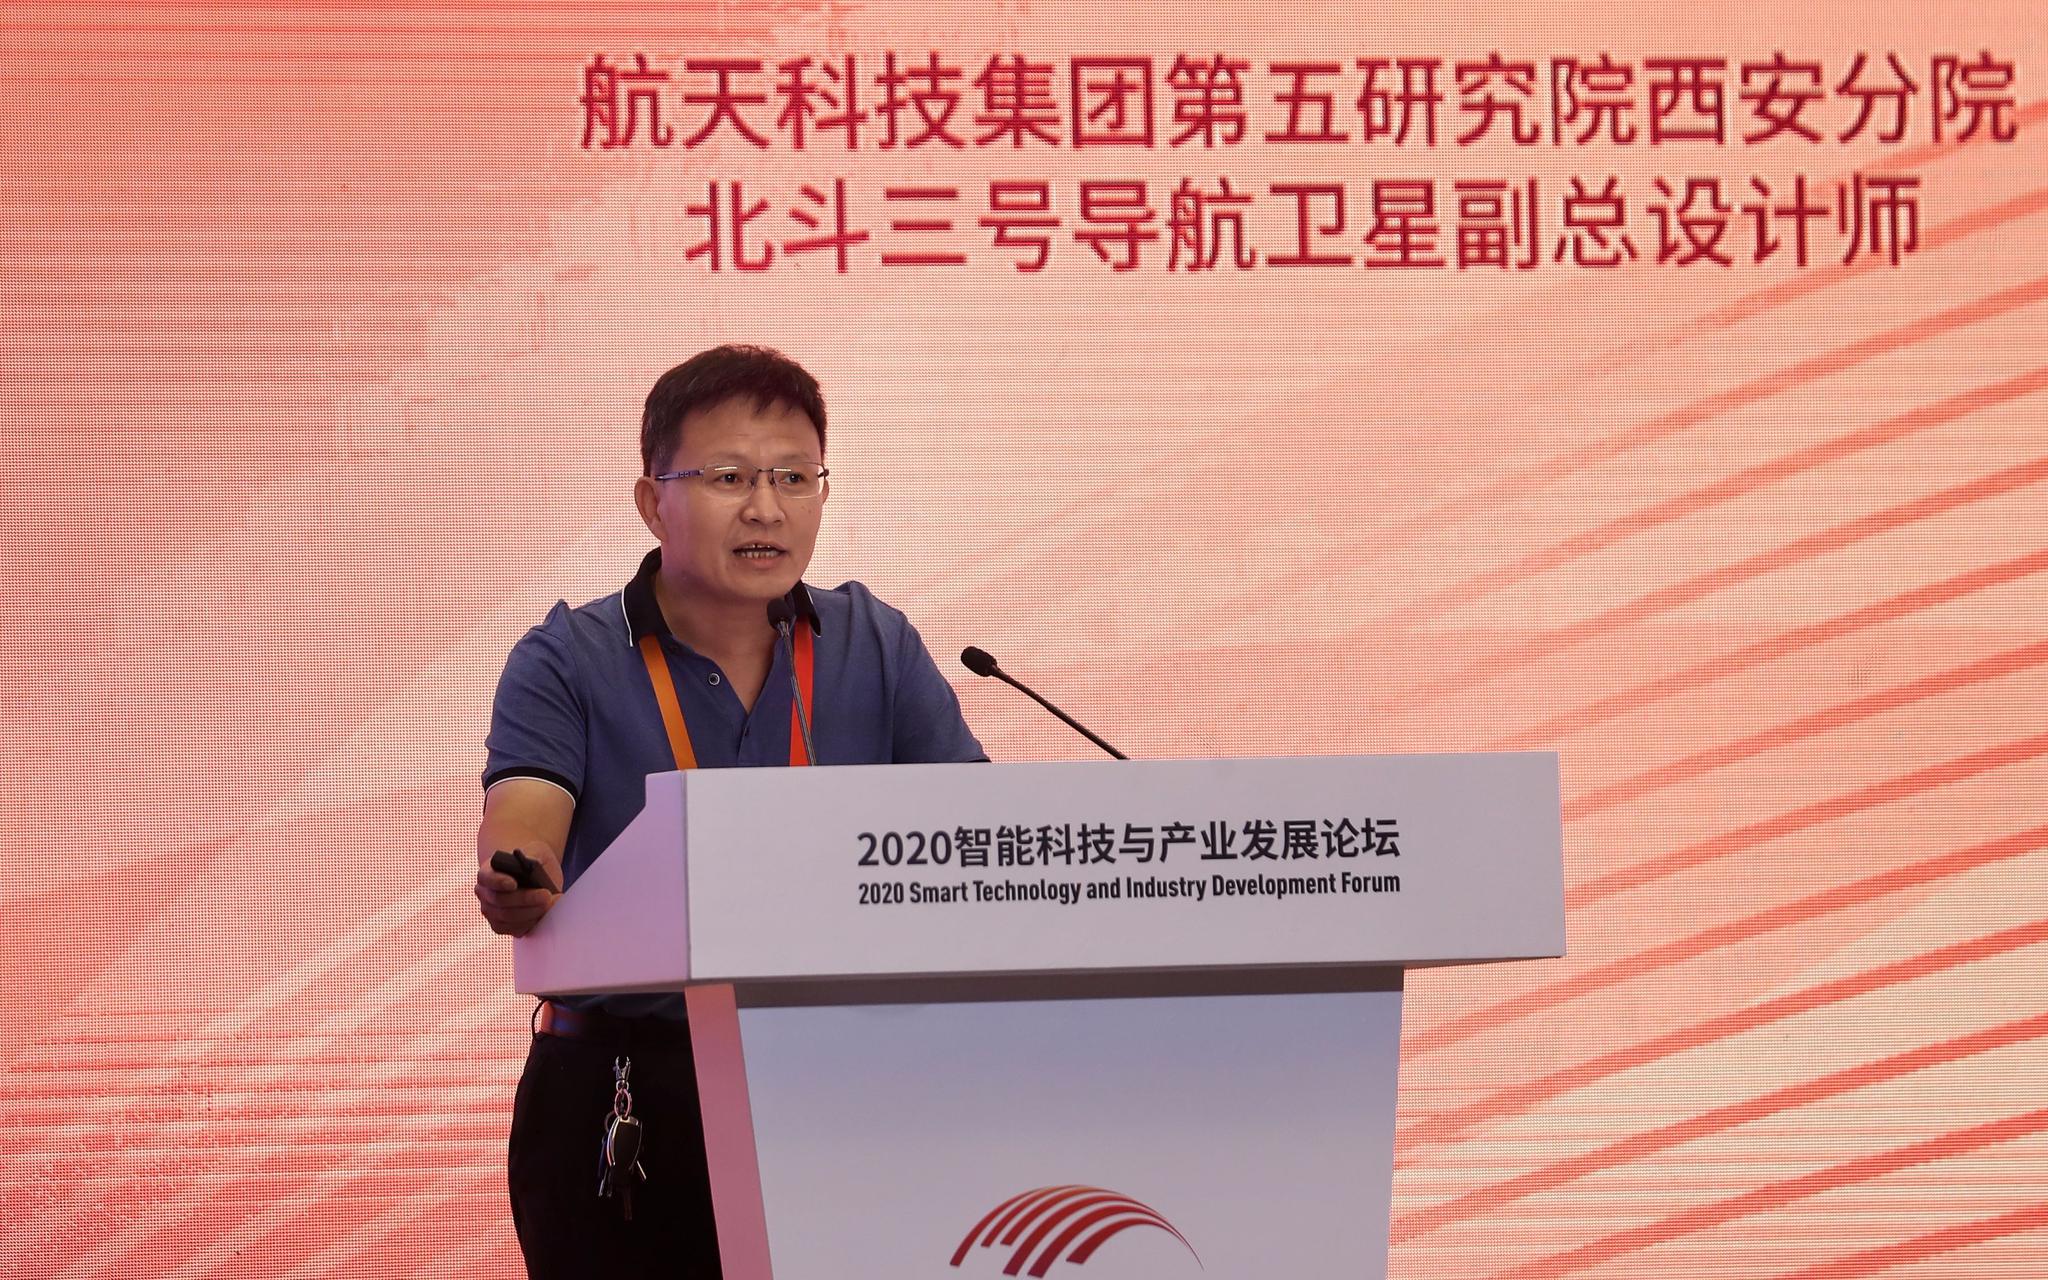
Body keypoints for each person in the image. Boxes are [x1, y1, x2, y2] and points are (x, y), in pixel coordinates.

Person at [473, 344, 985, 1277]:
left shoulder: (875, 643)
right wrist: (523, 875)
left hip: (847, 1091)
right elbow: (526, 814)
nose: (766, 508)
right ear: (652, 501)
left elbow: (971, 838)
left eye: (794, 477)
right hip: (629, 1089)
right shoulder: (570, 657)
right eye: (728, 478)